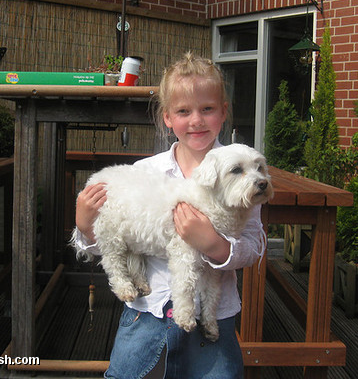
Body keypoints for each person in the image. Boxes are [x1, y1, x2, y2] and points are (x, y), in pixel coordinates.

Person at [74, 52, 266, 379]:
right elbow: (113, 242)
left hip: (213, 315)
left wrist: (215, 245)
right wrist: (85, 226)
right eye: (183, 111)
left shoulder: (243, 173)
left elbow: (254, 245)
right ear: (167, 117)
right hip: (145, 315)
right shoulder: (143, 172)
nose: (196, 120)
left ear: (224, 112)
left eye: (207, 109)